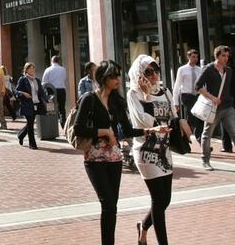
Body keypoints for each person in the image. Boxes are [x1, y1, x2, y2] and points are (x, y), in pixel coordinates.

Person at [82, 60, 140, 245]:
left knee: (111, 207)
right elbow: (78, 129)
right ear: (103, 78)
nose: (118, 80)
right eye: (113, 76)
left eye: (118, 76)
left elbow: (128, 131)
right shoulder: (89, 99)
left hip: (115, 158)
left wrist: (152, 130)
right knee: (107, 203)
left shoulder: (117, 102)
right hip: (94, 159)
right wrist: (104, 132)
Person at [127, 56, 180, 245]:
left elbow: (173, 116)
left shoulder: (165, 91)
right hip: (146, 151)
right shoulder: (134, 93)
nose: (154, 75)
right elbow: (144, 121)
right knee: (158, 200)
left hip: (165, 150)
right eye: (148, 71)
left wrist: (181, 123)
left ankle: (143, 226)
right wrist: (147, 95)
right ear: (140, 73)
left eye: (156, 70)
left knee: (166, 200)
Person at [173, 49, 204, 140]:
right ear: (188, 57)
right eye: (193, 57)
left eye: (197, 57)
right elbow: (177, 85)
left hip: (198, 96)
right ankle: (189, 139)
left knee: (198, 118)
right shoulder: (182, 69)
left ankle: (196, 139)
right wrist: (175, 102)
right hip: (187, 96)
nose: (195, 59)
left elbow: (203, 85)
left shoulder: (200, 70)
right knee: (192, 117)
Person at [16, 62, 47, 149]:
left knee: (30, 123)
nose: (32, 70)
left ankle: (21, 135)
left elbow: (41, 92)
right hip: (27, 104)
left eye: (33, 68)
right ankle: (32, 144)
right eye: (30, 68)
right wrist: (24, 93)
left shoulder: (37, 80)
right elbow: (16, 91)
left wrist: (47, 100)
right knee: (30, 123)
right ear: (26, 70)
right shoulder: (23, 79)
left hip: (36, 104)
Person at [41, 55, 68, 128]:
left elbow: (44, 82)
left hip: (51, 90)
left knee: (51, 107)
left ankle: (52, 124)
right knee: (62, 108)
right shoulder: (63, 69)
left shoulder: (48, 69)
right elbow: (64, 78)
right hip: (61, 89)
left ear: (51, 61)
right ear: (58, 61)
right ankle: (63, 124)